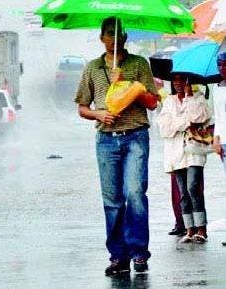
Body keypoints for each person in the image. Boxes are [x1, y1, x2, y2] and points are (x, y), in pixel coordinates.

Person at [75, 16, 158, 275]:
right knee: (112, 200)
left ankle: (139, 252)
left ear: (125, 38)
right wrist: (98, 114)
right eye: (109, 33)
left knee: (134, 193)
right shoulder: (92, 68)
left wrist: (127, 85)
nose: (114, 37)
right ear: (102, 37)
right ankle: (118, 256)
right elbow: (82, 107)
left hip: (135, 136)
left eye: (119, 33)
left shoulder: (139, 64)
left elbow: (152, 102)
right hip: (106, 141)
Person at [157, 74, 211, 244]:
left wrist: (189, 98)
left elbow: (199, 118)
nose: (178, 84)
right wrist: (185, 122)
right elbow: (165, 129)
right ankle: (189, 230)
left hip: (194, 150)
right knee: (183, 193)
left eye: (182, 80)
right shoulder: (169, 102)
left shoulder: (198, 98)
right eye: (175, 80)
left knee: (193, 187)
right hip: (175, 153)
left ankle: (201, 229)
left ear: (188, 81)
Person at [212, 52, 226, 246]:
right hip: (224, 141)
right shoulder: (217, 89)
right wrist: (215, 140)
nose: (223, 68)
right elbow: (218, 116)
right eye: (220, 65)